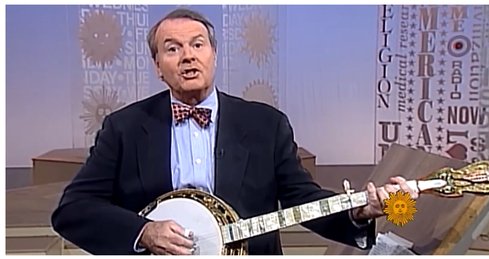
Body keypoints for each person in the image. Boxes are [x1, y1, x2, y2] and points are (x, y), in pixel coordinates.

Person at [51, 8, 419, 255]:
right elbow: (73, 209)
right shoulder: (125, 128)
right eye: (172, 48)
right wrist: (142, 232)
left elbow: (301, 199)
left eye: (197, 45)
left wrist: (357, 211)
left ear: (214, 55)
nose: (187, 56)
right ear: (157, 66)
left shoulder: (266, 125)